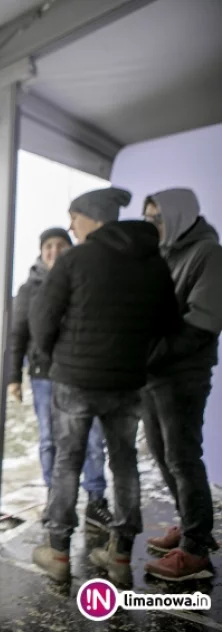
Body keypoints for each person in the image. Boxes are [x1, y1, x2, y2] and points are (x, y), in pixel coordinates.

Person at [29, 188, 179, 586]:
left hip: (75, 381)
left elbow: (42, 319)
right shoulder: (152, 262)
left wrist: (57, 356)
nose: (72, 225)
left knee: (67, 462)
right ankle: (120, 554)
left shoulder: (76, 259)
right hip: (128, 382)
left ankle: (58, 551)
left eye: (73, 218)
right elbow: (168, 325)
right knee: (124, 461)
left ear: (90, 218)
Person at [139, 188, 222, 581]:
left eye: (157, 217)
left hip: (183, 375)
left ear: (177, 214)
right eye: (148, 217)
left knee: (183, 457)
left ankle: (196, 550)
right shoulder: (164, 253)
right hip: (155, 374)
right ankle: (189, 525)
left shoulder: (208, 253)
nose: (152, 225)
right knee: (161, 452)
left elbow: (202, 324)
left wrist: (149, 353)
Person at [8, 228, 111, 531]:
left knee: (92, 439)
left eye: (60, 245)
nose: (54, 251)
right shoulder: (30, 288)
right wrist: (13, 376)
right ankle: (56, 501)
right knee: (49, 440)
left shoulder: (85, 279)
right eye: (48, 246)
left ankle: (96, 500)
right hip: (44, 376)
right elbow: (17, 334)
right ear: (41, 251)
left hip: (82, 374)